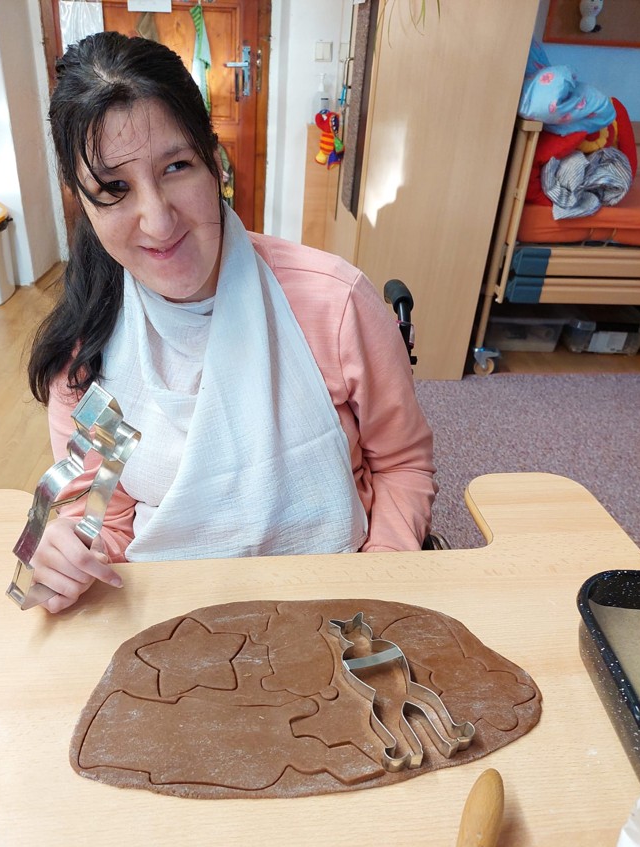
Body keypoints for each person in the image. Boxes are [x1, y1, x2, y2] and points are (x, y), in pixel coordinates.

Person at [27, 31, 436, 613]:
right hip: (176, 619)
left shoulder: (335, 304)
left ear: (215, 163)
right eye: (114, 189)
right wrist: (64, 552)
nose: (158, 221)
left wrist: (376, 586)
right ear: (83, 204)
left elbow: (401, 464)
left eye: (176, 166)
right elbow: (101, 519)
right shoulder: (87, 353)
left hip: (336, 601)